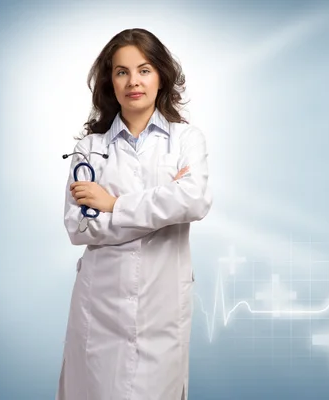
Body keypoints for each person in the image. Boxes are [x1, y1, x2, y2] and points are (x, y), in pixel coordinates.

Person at [56, 28, 213, 400]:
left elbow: (194, 202)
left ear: (160, 75)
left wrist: (113, 205)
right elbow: (79, 226)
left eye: (144, 70)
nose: (133, 82)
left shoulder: (186, 139)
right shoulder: (89, 149)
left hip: (163, 304)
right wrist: (162, 207)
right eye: (121, 72)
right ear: (111, 82)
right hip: (101, 306)